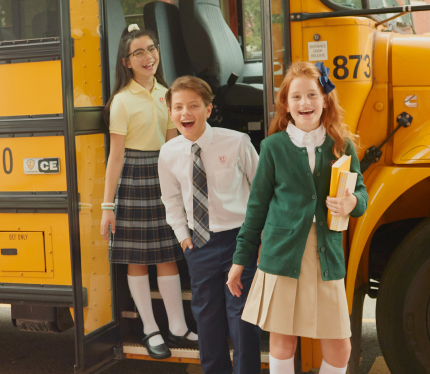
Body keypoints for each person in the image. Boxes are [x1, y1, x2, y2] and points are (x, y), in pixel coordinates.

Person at [227, 61, 368, 374]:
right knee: (283, 340)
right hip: (281, 255)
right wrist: (240, 259)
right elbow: (257, 208)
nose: (305, 103)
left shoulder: (342, 145)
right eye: (297, 97)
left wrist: (351, 203)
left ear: (325, 99)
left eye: (312, 95)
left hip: (325, 255)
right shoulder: (272, 147)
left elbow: (361, 196)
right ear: (286, 105)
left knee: (340, 347)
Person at [100, 24, 197, 360]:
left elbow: (173, 145)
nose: (147, 56)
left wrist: (183, 188)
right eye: (138, 52)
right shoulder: (122, 101)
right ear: (126, 62)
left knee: (168, 255)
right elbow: (116, 156)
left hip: (163, 174)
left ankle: (178, 327)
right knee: (138, 260)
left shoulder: (167, 93)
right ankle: (149, 329)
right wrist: (107, 205)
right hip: (133, 179)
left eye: (151, 49)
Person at [158, 76, 261, 374]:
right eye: (178, 107)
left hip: (238, 242)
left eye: (193, 105)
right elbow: (172, 200)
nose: (185, 113)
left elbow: (260, 191)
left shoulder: (237, 142)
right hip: (199, 245)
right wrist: (183, 238)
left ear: (208, 108)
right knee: (207, 320)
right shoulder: (169, 153)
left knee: (242, 320)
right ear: (170, 112)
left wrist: (258, 238)